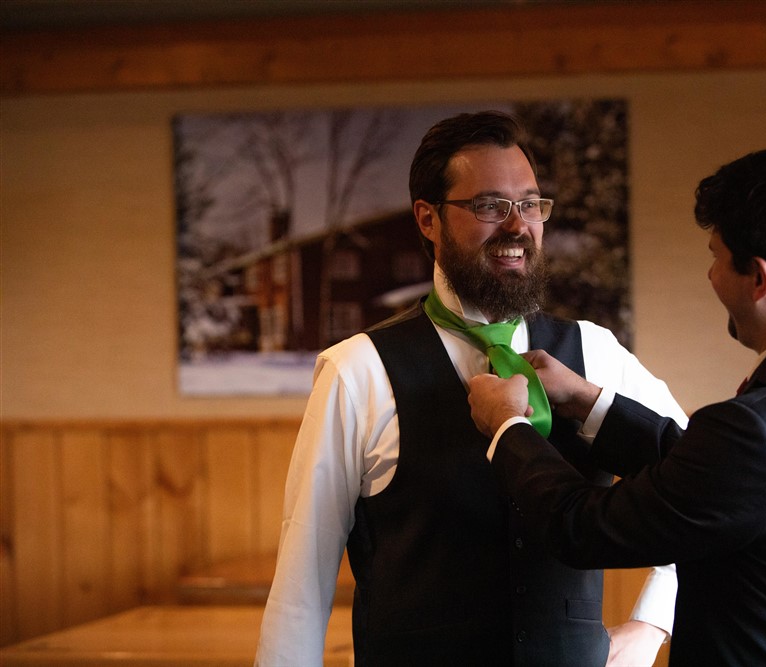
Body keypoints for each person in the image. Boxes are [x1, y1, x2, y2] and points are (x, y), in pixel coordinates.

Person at [255, 110, 689, 666]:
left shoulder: (595, 352)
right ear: (428, 219)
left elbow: (705, 489)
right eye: (489, 206)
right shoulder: (356, 370)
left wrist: (652, 623)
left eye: (530, 204)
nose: (517, 225)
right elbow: (302, 580)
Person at [468, 145, 766, 666]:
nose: (710, 277)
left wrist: (507, 426)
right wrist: (587, 400)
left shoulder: (755, 433)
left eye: (715, 256)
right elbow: (720, 484)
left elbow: (581, 528)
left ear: (759, 279)